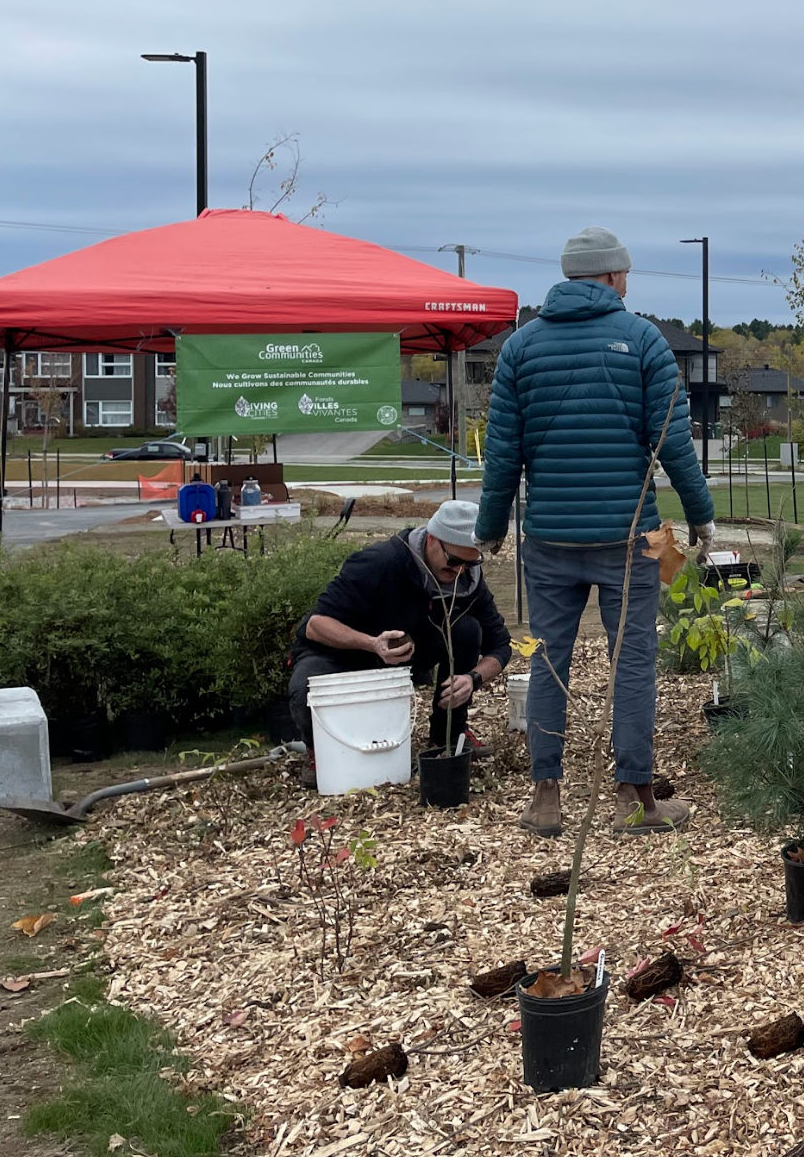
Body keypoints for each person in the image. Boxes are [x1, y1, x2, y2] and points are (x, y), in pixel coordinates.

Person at [477, 225, 716, 839]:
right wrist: (700, 514)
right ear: (611, 277)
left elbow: (503, 453)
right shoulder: (643, 342)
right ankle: (635, 799)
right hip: (626, 538)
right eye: (625, 273)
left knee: (546, 659)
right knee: (631, 662)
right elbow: (673, 445)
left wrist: (489, 528)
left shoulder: (519, 349)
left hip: (549, 540)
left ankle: (545, 796)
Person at [288, 499, 513, 787]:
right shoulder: (380, 562)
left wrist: (472, 679)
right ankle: (318, 750)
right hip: (341, 654)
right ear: (432, 539)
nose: (459, 572)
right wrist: (371, 643)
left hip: (403, 654)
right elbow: (316, 625)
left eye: (471, 563)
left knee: (467, 630)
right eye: (454, 561)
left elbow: (501, 645)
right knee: (305, 686)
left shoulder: (468, 580)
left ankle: (449, 733)